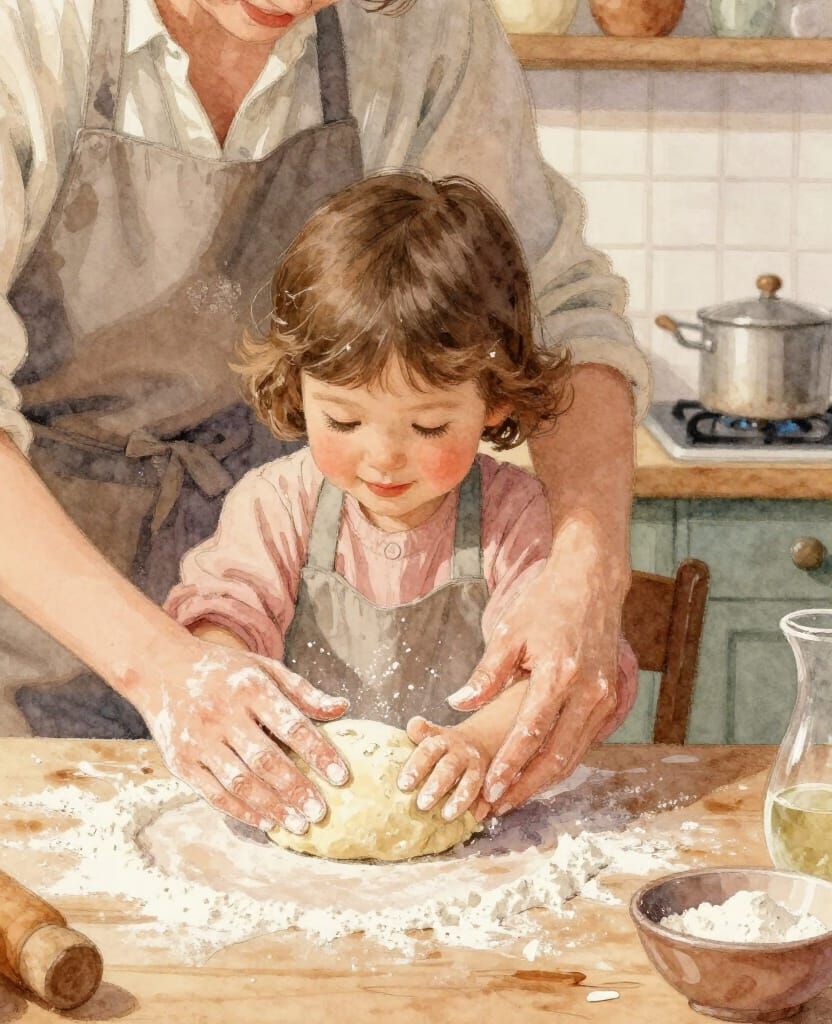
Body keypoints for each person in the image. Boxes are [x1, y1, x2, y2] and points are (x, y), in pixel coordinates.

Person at [0, 0, 650, 832]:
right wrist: (167, 669)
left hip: (258, 616)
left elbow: (554, 308)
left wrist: (583, 577)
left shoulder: (420, 22)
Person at [163, 171, 639, 831]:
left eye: (428, 427)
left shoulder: (519, 520)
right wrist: (224, 673)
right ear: (298, 390)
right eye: (345, 421)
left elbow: (550, 675)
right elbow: (224, 621)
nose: (383, 457)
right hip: (300, 814)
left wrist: (479, 744)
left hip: (485, 829)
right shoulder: (276, 504)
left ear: (495, 400)